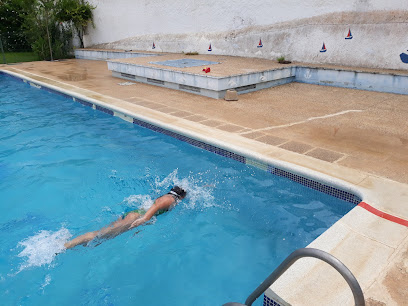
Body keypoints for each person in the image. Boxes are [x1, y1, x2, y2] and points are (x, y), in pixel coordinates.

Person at [64, 186, 187, 249]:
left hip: (134, 216)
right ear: (182, 195)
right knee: (100, 234)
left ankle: (76, 243)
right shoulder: (170, 199)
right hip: (134, 217)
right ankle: (66, 245)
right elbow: (158, 203)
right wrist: (144, 219)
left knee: (104, 237)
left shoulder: (171, 197)